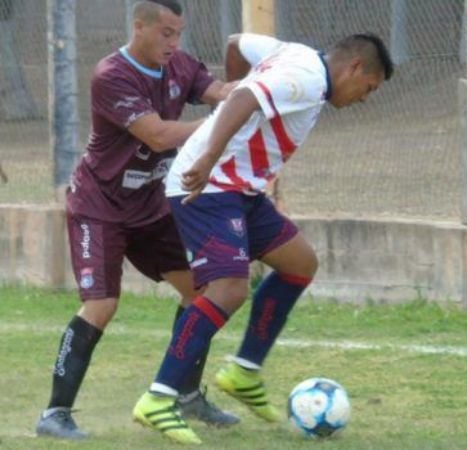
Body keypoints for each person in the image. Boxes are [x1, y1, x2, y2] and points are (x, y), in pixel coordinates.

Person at [132, 32, 394, 444]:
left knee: (299, 263)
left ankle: (244, 371)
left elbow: (236, 42)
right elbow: (242, 99)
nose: (364, 97)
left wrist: (233, 97)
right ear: (355, 68)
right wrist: (208, 156)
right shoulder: (306, 77)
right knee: (229, 289)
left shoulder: (297, 55)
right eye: (369, 88)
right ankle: (159, 398)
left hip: (240, 190)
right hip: (209, 185)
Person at [34, 0, 241, 440]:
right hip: (99, 207)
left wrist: (253, 93)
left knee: (199, 291)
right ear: (139, 26)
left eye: (179, 33)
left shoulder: (180, 65)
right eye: (166, 33)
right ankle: (55, 414)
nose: (174, 43)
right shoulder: (112, 75)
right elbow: (158, 134)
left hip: (150, 206)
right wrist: (221, 124)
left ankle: (185, 394)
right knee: (102, 305)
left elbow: (220, 93)